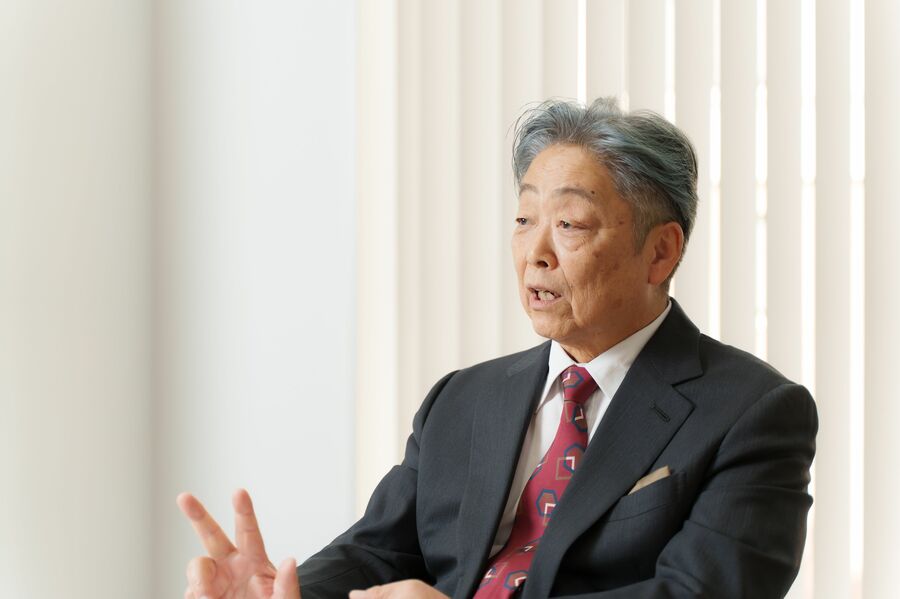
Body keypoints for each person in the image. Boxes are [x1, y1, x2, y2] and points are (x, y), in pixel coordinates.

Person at [178, 97, 817, 599]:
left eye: (568, 224)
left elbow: (698, 593)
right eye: (523, 219)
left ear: (661, 252)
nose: (535, 252)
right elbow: (379, 551)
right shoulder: (462, 399)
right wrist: (286, 594)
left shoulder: (751, 413)